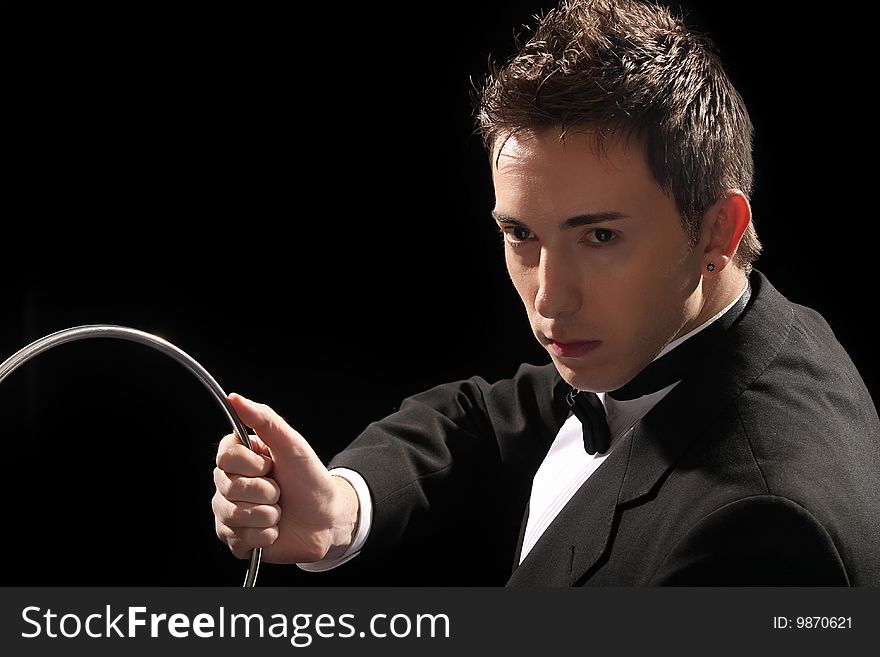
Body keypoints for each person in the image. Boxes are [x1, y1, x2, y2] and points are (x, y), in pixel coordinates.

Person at [212, 0, 880, 585]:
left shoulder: (761, 535)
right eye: (521, 235)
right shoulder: (739, 327)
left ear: (717, 230)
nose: (549, 301)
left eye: (599, 237)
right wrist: (342, 506)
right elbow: (493, 411)